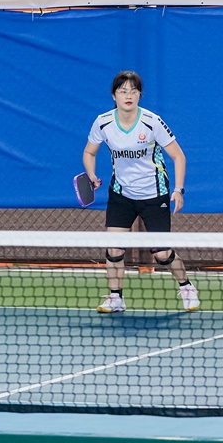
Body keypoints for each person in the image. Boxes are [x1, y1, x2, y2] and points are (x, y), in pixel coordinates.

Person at [83, 70, 199, 313]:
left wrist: (178, 190)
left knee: (162, 253)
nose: (128, 96)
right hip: (121, 194)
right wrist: (92, 174)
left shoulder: (152, 122)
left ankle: (187, 287)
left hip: (154, 195)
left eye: (133, 91)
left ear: (140, 95)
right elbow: (89, 152)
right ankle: (116, 298)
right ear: (114, 95)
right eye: (123, 91)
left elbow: (179, 156)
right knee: (114, 248)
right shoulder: (103, 122)